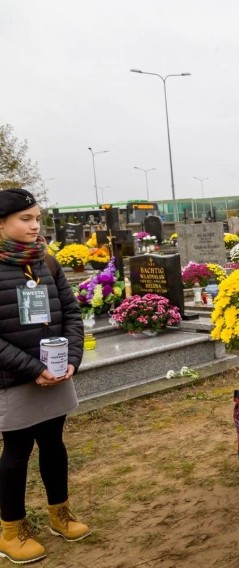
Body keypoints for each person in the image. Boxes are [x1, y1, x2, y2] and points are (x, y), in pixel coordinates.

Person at [0, 189, 90, 565]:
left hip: (56, 372)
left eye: (37, 218)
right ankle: (11, 529)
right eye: (25, 219)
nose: (35, 225)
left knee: (54, 444)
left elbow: (71, 313)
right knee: (17, 451)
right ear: (1, 223)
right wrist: (33, 369)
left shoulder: (46, 263)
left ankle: (60, 513)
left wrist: (70, 359)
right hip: (15, 378)